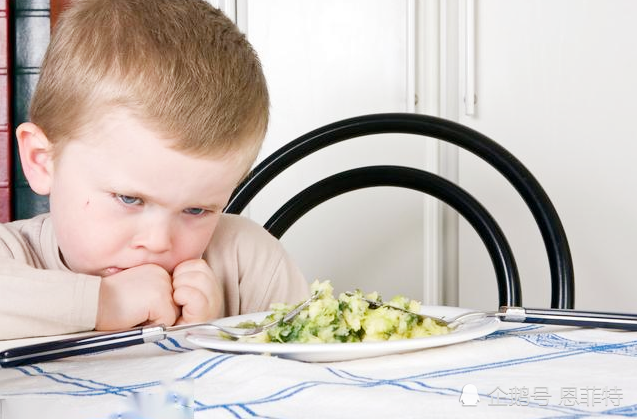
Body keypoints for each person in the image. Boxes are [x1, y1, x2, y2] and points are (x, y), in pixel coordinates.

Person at [0, 0, 309, 340]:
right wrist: (107, 303)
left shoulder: (248, 265)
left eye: (196, 209)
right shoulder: (13, 257)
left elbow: (322, 376)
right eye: (130, 199)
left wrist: (220, 333)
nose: (159, 242)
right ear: (42, 160)